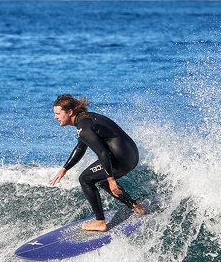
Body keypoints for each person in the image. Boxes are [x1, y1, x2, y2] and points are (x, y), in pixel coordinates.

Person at [48, 94, 147, 231]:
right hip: (131, 157)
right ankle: (135, 206)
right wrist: (64, 169)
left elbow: (103, 153)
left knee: (85, 179)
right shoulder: (85, 120)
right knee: (100, 178)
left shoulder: (83, 127)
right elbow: (80, 148)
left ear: (69, 112)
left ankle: (100, 222)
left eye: (58, 113)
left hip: (120, 159)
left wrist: (111, 180)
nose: (55, 117)